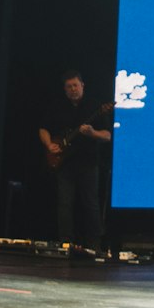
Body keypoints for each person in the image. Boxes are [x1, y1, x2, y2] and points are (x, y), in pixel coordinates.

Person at [38, 70, 111, 252]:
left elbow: (107, 136)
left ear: (82, 86)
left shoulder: (95, 106)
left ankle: (94, 245)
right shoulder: (57, 106)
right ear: (65, 89)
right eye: (69, 87)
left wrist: (92, 133)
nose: (73, 89)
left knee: (90, 203)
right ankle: (65, 243)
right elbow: (43, 129)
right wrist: (49, 145)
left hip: (88, 162)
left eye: (75, 85)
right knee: (64, 204)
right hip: (65, 164)